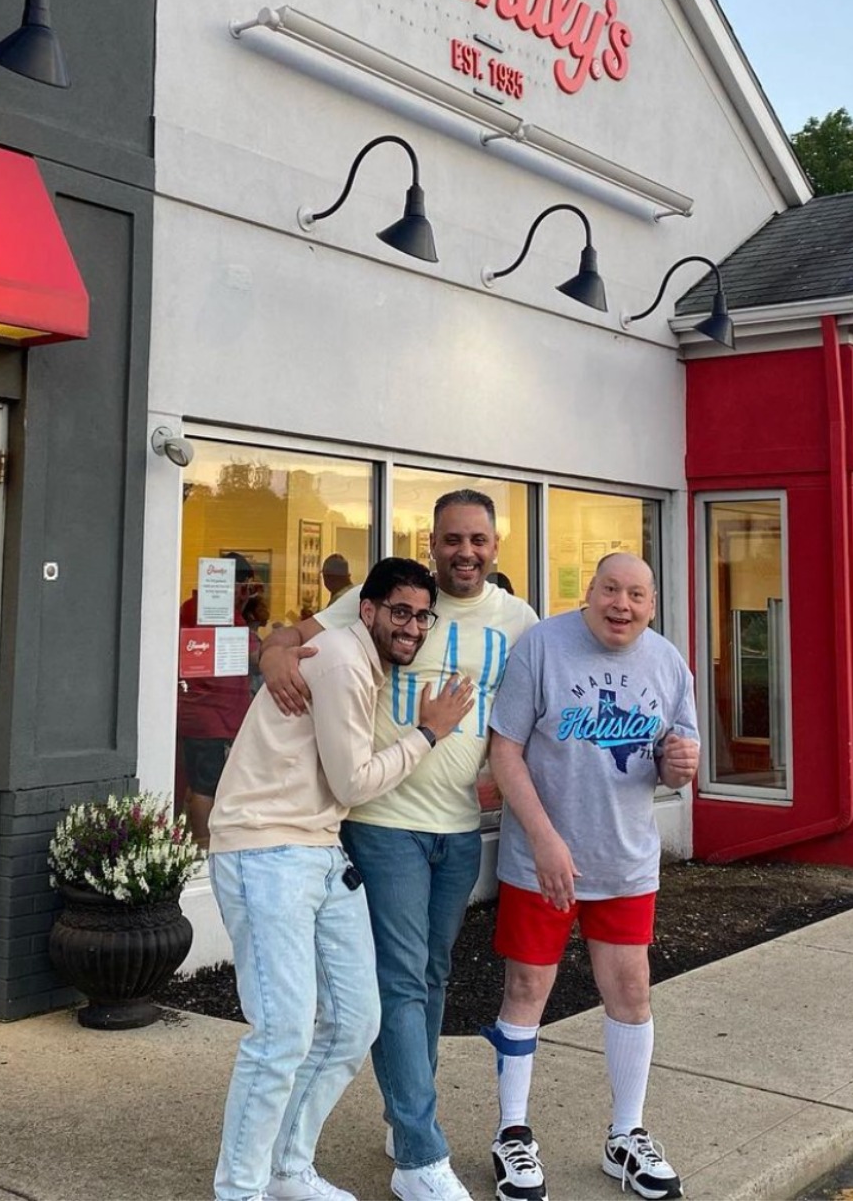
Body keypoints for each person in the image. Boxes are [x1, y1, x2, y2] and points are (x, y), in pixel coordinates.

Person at [262, 490, 538, 1201]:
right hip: (383, 822)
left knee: (433, 975)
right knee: (401, 982)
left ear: (495, 546)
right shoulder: (394, 601)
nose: (465, 552)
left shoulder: (519, 620)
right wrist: (272, 656)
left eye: (477, 540)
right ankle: (420, 1154)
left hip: (459, 830)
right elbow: (290, 639)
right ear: (432, 542)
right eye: (452, 539)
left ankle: (407, 1118)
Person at [208, 558, 475, 1201]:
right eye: (400, 612)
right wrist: (429, 733)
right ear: (368, 609)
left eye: (422, 616)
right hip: (266, 849)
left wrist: (276, 646)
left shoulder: (357, 659)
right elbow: (352, 782)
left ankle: (286, 1169)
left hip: (321, 851)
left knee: (355, 1021)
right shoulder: (343, 662)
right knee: (282, 1034)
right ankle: (240, 1190)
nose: (412, 627)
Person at [481, 553, 700, 1201]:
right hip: (541, 861)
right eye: (610, 589)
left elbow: (672, 764)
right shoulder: (542, 647)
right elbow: (504, 750)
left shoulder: (669, 664)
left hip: (625, 862)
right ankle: (512, 1133)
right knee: (526, 988)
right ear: (590, 591)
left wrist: (679, 765)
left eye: (635, 594)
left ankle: (625, 1136)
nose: (620, 605)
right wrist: (544, 838)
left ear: (651, 604)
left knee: (631, 992)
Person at [178, 554, 265, 845]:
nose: (247, 594)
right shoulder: (223, 613)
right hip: (214, 715)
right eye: (246, 587)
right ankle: (204, 846)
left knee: (195, 783)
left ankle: (192, 842)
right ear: (235, 584)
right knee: (207, 787)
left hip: (194, 711)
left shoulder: (190, 608)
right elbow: (254, 657)